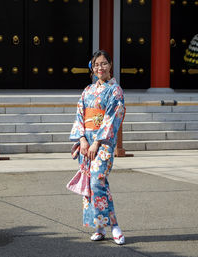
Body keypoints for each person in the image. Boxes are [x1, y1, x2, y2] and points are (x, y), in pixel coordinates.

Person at [70, 50, 125, 245]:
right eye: (96, 65)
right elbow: (79, 115)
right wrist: (83, 139)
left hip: (102, 144)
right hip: (86, 144)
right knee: (91, 187)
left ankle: (114, 225)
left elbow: (111, 118)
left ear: (110, 65)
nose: (99, 68)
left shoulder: (115, 91)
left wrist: (96, 142)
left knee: (97, 182)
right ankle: (100, 227)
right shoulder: (87, 90)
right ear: (92, 69)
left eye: (103, 64)